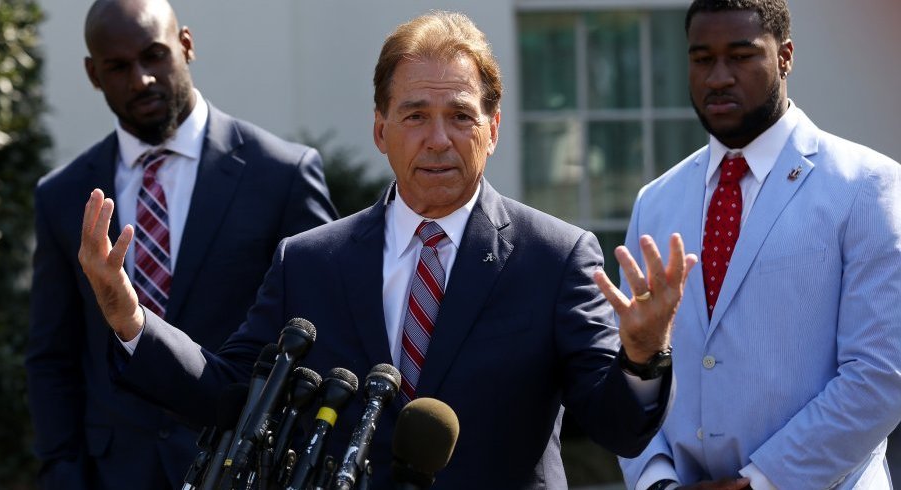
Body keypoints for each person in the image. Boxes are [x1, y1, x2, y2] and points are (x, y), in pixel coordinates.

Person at [79, 10, 696, 490]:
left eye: (460, 115)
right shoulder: (311, 261)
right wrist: (129, 317)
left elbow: (617, 424)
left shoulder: (555, 257)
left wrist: (642, 355)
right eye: (415, 116)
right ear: (380, 129)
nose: (437, 139)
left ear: (493, 128)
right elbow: (232, 394)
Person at [25, 0, 338, 488]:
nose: (142, 79)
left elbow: (323, 330)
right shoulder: (63, 196)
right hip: (112, 473)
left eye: (154, 56)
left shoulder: (282, 175)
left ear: (185, 45)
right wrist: (63, 472)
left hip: (241, 468)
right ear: (92, 73)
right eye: (118, 67)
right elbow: (52, 356)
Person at [617, 1, 901, 489]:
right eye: (702, 58)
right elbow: (632, 364)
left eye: (742, 56)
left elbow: (881, 373)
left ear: (785, 56)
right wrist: (656, 480)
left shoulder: (868, 186)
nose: (718, 77)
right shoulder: (655, 201)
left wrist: (763, 481)